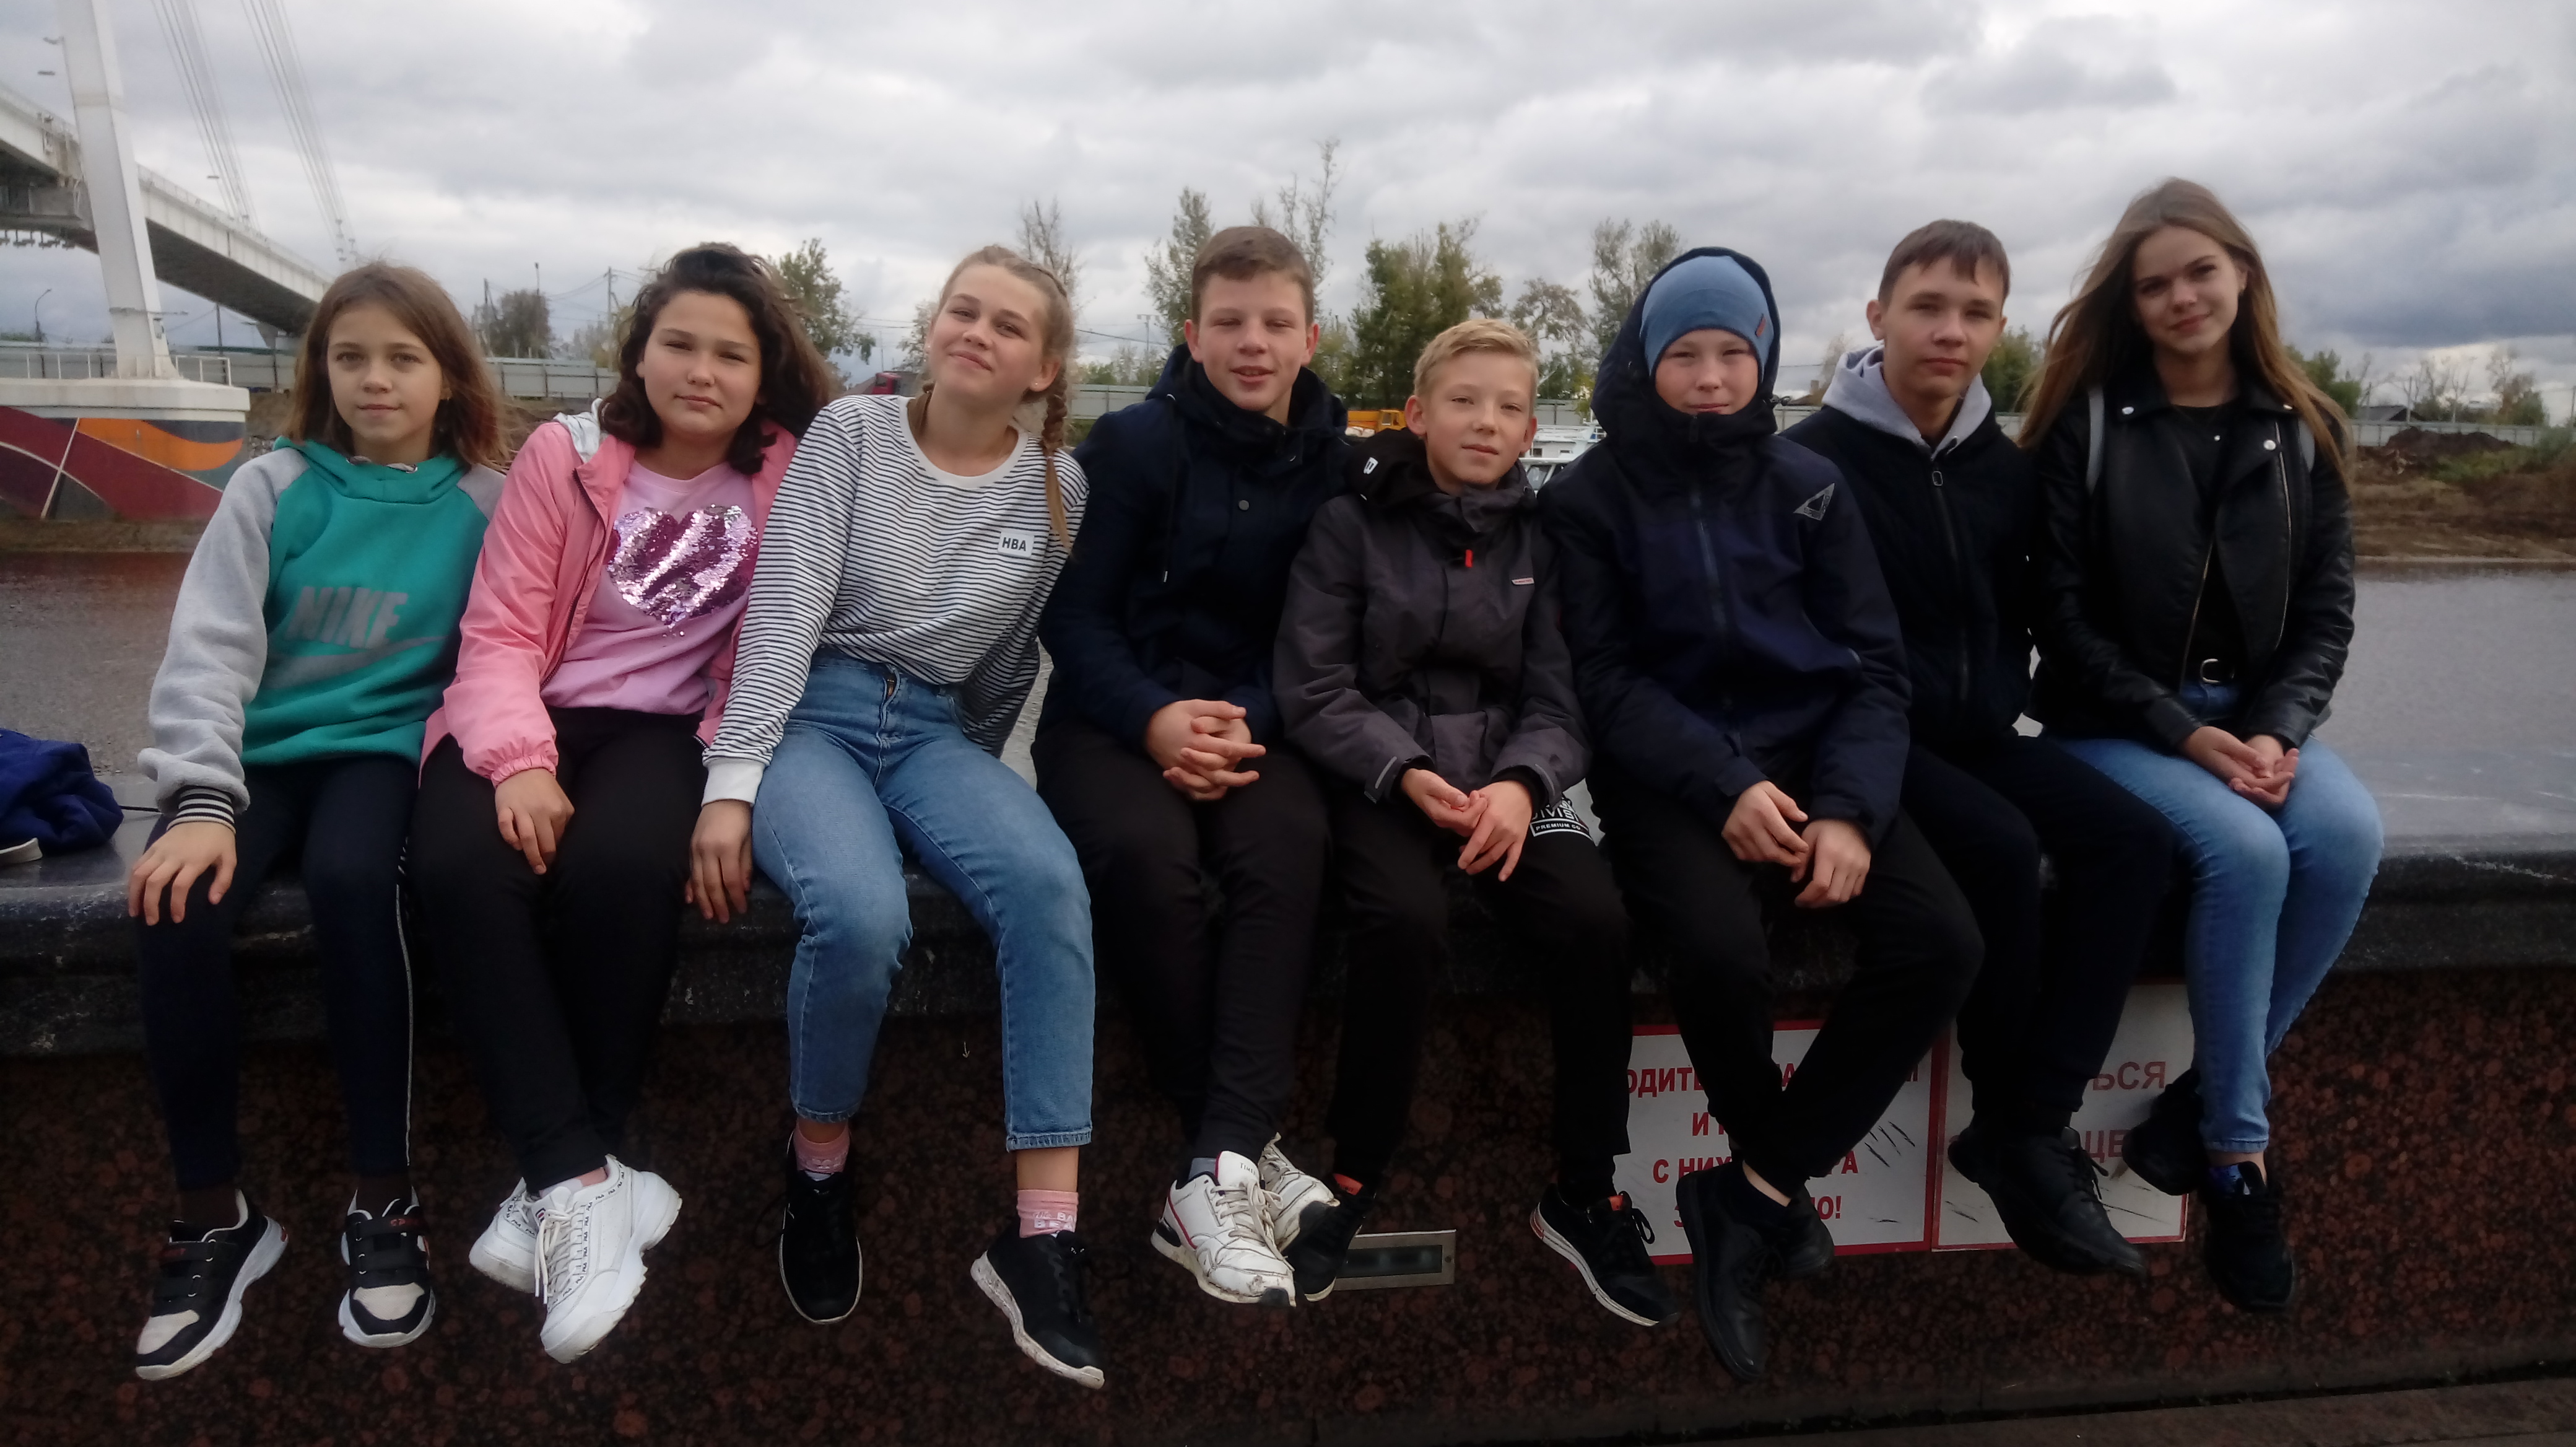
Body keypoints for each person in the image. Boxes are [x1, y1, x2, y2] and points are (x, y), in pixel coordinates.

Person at [1542, 246, 1982, 1381]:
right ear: (1645, 362)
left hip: (1820, 760)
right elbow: (1605, 681)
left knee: (1940, 941)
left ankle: (1754, 1188)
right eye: (1684, 355)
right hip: (1668, 776)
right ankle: (1765, 1185)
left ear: (1765, 360)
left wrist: (1847, 811)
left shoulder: (1808, 485)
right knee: (1716, 948)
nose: (1709, 378)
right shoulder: (1587, 499)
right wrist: (1724, 784)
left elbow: (1872, 667)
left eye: (1733, 354)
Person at [409, 244, 833, 1362]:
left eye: (730, 354)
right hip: (529, 705)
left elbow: (775, 645)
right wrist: (519, 760)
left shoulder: (788, 475)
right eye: (678, 344)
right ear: (639, 355)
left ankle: (562, 1185)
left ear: (762, 374)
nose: (701, 371)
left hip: (665, 730)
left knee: (625, 867)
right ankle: (589, 1181)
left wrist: (731, 779)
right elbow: (501, 627)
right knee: (459, 865)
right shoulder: (567, 456)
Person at [697, 246, 1104, 1388]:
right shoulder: (853, 436)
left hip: (931, 734)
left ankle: (1042, 1239)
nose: (977, 332)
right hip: (810, 714)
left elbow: (1010, 662)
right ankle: (819, 1165)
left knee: (1047, 885)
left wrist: (967, 795)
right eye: (962, 311)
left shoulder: (1059, 489)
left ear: (1043, 369)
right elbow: (784, 615)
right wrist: (733, 785)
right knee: (860, 912)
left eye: (1008, 325)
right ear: (933, 328)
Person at [127, 263, 507, 1379]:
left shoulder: (487, 502)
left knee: (354, 883)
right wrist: (201, 800)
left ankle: (384, 1200)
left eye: (403, 358)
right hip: (255, 759)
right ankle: (214, 1216)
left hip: (385, 754)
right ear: (321, 372)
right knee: (174, 903)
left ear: (448, 377)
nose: (375, 379)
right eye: (351, 358)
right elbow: (209, 649)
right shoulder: (274, 487)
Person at [1784, 221, 2177, 1277]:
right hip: (1862, 744)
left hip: (1984, 734)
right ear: (1879, 317)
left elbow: (2063, 614)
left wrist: (2188, 723)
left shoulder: (2008, 470)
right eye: (1928, 307)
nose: (1950, 331)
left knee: (2135, 843)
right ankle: (2014, 1118)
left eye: (1976, 312)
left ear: (2001, 329)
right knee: (2000, 849)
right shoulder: (1810, 463)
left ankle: (2028, 1122)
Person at [2022, 178, 2383, 1314]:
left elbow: (2326, 613)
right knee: (2248, 853)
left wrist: (2275, 729)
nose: (2181, 297)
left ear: (2242, 274)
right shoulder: (2088, 426)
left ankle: (2193, 1105)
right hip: (2116, 723)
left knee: (2346, 835)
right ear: (2129, 304)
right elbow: (2059, 619)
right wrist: (2186, 733)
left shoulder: (2305, 428)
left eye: (2200, 272)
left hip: (2257, 719)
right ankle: (2237, 1159)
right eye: (2154, 284)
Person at [1272, 318, 1670, 1323]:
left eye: (1508, 407)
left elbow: (1560, 699)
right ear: (1417, 414)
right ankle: (1354, 1174)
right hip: (1383, 781)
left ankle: (1585, 1187)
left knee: (1597, 920)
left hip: (1503, 786)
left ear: (1532, 429)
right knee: (1403, 919)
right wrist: (1402, 771)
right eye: (1464, 401)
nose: (1485, 421)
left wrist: (1525, 786)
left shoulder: (1539, 539)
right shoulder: (1349, 524)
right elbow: (1314, 687)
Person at [1034, 227, 1346, 1308]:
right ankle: (1240, 1153)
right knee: (1145, 855)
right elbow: (1074, 619)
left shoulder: (1338, 467)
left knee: (1288, 848)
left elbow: (1324, 636)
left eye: (1275, 323)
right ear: (1193, 333)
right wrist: (1157, 719)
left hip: (1261, 723)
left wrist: (1245, 722)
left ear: (1311, 338)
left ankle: (1215, 1166)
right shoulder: (1131, 446)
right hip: (1113, 721)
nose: (1253, 343)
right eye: (1230, 322)